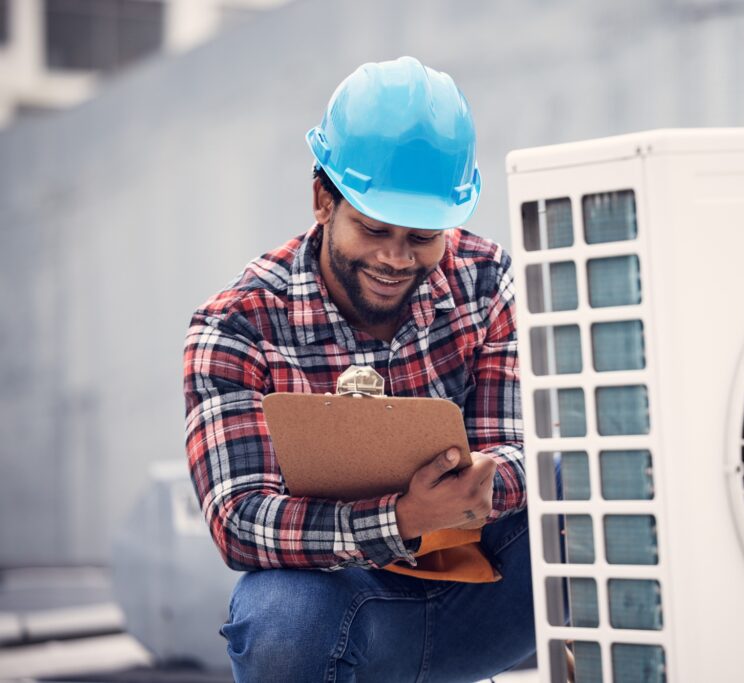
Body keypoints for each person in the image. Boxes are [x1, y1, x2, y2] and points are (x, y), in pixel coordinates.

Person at [183, 56, 534, 682]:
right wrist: (402, 518)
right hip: (346, 608)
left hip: (488, 595)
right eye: (374, 230)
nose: (396, 259)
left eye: (423, 237)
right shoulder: (237, 325)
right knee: (278, 624)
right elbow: (238, 519)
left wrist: (484, 481)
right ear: (323, 200)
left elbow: (520, 446)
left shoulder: (486, 280)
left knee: (593, 500)